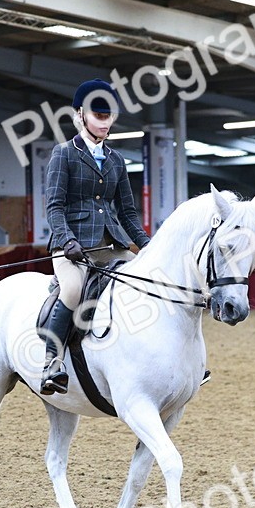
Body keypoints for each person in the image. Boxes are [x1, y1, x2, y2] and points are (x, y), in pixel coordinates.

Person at [40, 78, 151, 395]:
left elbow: (128, 212)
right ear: (80, 115)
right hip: (73, 249)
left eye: (108, 116)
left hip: (112, 246)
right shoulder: (65, 154)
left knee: (149, 281)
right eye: (98, 115)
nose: (105, 122)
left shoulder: (117, 160)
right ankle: (52, 363)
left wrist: (146, 246)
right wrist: (67, 240)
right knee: (73, 290)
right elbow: (55, 206)